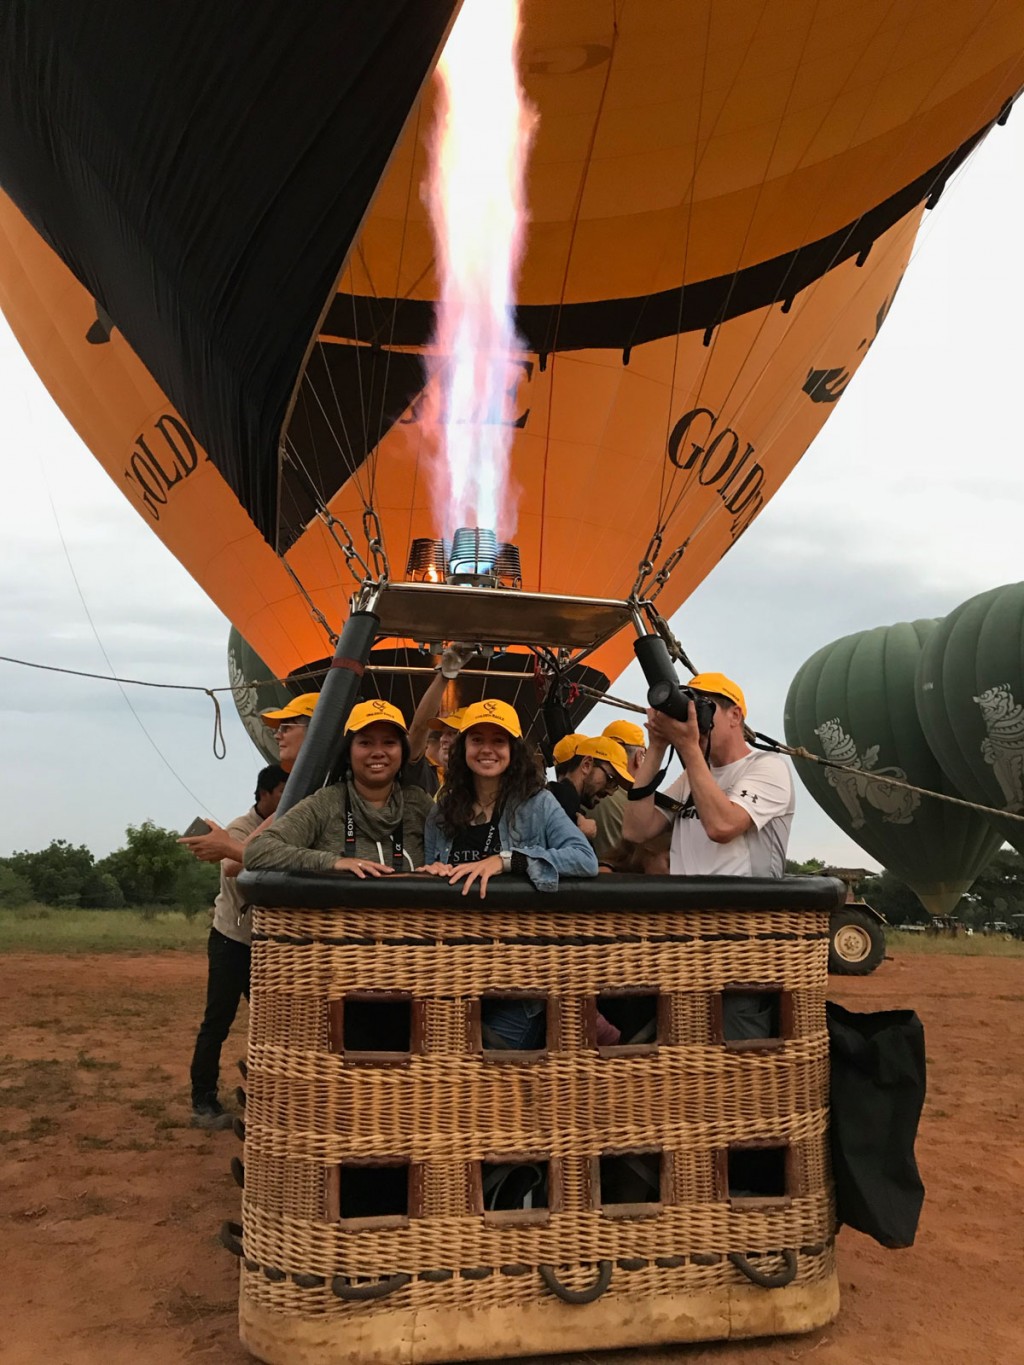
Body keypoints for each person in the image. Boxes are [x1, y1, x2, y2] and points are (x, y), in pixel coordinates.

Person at [421, 698, 598, 1048]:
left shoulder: (538, 803)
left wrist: (508, 860)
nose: (488, 750)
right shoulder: (442, 813)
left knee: (494, 1070)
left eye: (498, 741)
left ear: (513, 750)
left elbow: (584, 859)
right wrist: (434, 874)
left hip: (519, 975)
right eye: (478, 740)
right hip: (456, 973)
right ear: (464, 748)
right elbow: (432, 883)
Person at [188, 763, 287, 1129]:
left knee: (276, 1024)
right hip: (232, 940)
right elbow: (234, 864)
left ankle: (272, 1096)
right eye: (283, 793)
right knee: (218, 1021)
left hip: (265, 945)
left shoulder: (288, 828)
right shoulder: (239, 830)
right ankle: (203, 1102)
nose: (288, 800)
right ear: (264, 795)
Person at [621, 672, 795, 876]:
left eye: (702, 710)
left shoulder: (768, 766)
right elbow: (636, 831)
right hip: (689, 904)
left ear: (735, 716)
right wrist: (657, 747)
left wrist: (688, 746)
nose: (694, 721)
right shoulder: (693, 775)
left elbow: (722, 827)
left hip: (744, 905)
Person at [244, 699, 434, 875]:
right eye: (365, 743)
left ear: (402, 751)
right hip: (340, 912)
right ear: (347, 751)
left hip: (407, 912)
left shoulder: (418, 803)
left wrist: (444, 865)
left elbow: (455, 850)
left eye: (389, 742)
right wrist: (332, 862)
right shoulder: (327, 803)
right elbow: (257, 851)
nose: (378, 752)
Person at [178, 692, 321, 865]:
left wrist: (227, 847)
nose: (277, 735)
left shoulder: (331, 793)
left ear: (317, 730)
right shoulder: (301, 796)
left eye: (286, 727)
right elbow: (236, 862)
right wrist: (225, 846)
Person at [547, 733, 633, 839]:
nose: (610, 792)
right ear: (586, 765)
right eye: (610, 779)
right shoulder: (559, 801)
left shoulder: (561, 801)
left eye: (615, 785)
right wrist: (578, 837)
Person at [587, 719, 648, 861]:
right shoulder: (641, 805)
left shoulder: (584, 793)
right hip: (625, 880)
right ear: (639, 757)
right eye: (644, 755)